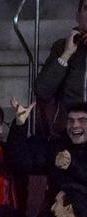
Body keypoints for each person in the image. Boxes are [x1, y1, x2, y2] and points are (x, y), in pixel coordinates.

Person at [35, 1, 87, 129]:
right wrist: (67, 54)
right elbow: (42, 91)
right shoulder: (62, 46)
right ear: (78, 16)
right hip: (69, 130)